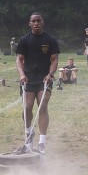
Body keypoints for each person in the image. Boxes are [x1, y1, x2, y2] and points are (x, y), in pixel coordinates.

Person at [16, 12, 59, 155]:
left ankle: (42, 142)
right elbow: (19, 59)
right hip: (28, 79)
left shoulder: (51, 40)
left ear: (43, 22)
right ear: (29, 23)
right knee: (27, 107)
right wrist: (22, 74)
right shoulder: (24, 40)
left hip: (44, 79)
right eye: (33, 21)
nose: (36, 23)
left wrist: (50, 74)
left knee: (42, 106)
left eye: (38, 21)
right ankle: (29, 133)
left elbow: (54, 60)